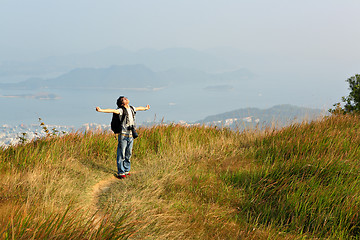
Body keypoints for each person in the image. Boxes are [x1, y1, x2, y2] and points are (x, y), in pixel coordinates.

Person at [96, 96, 150, 179]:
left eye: (126, 98)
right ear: (122, 103)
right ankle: (121, 172)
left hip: (131, 135)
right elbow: (112, 110)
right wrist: (101, 110)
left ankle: (126, 170)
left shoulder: (131, 108)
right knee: (121, 154)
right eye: (124, 99)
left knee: (129, 153)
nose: (126, 99)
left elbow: (139, 108)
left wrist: (146, 108)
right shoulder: (121, 110)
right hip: (123, 135)